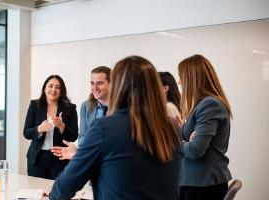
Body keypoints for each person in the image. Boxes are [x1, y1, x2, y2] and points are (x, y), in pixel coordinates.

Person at [47, 56, 182, 200]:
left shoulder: (105, 127)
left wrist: (52, 194)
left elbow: (67, 185)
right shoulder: (172, 127)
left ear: (117, 86)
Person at [178, 54, 232, 200]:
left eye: (181, 78)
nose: (179, 81)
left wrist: (178, 143)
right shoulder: (201, 105)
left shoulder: (209, 105)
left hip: (202, 185)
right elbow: (188, 143)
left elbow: (195, 151)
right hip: (197, 182)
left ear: (192, 79)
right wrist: (182, 136)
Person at [23, 75, 78, 180]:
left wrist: (61, 126)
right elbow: (26, 132)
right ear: (45, 88)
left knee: (57, 193)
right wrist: (39, 129)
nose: (53, 90)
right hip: (37, 158)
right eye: (50, 86)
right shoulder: (34, 105)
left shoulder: (70, 108)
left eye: (58, 87)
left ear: (61, 91)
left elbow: (74, 136)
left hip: (60, 158)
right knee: (37, 193)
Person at [51, 66, 111, 160]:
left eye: (100, 83)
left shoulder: (122, 107)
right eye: (92, 83)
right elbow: (83, 135)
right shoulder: (86, 106)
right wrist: (81, 152)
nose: (94, 88)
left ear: (111, 84)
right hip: (91, 159)